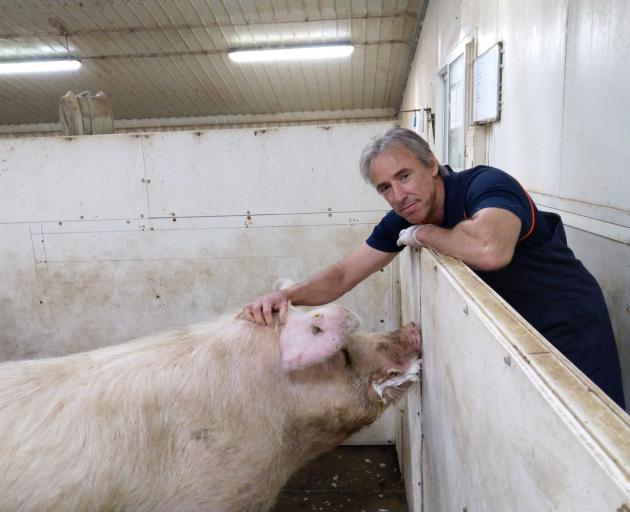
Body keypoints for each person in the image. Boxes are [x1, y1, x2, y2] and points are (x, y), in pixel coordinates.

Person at [239, 127, 625, 408]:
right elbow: (343, 274)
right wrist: (285, 296)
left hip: (569, 322)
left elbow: (490, 249)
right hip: (515, 334)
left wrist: (424, 234)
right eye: (385, 188)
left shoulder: (487, 185)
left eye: (404, 176)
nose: (398, 195)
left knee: (596, 429)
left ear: (432, 164)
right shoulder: (402, 217)